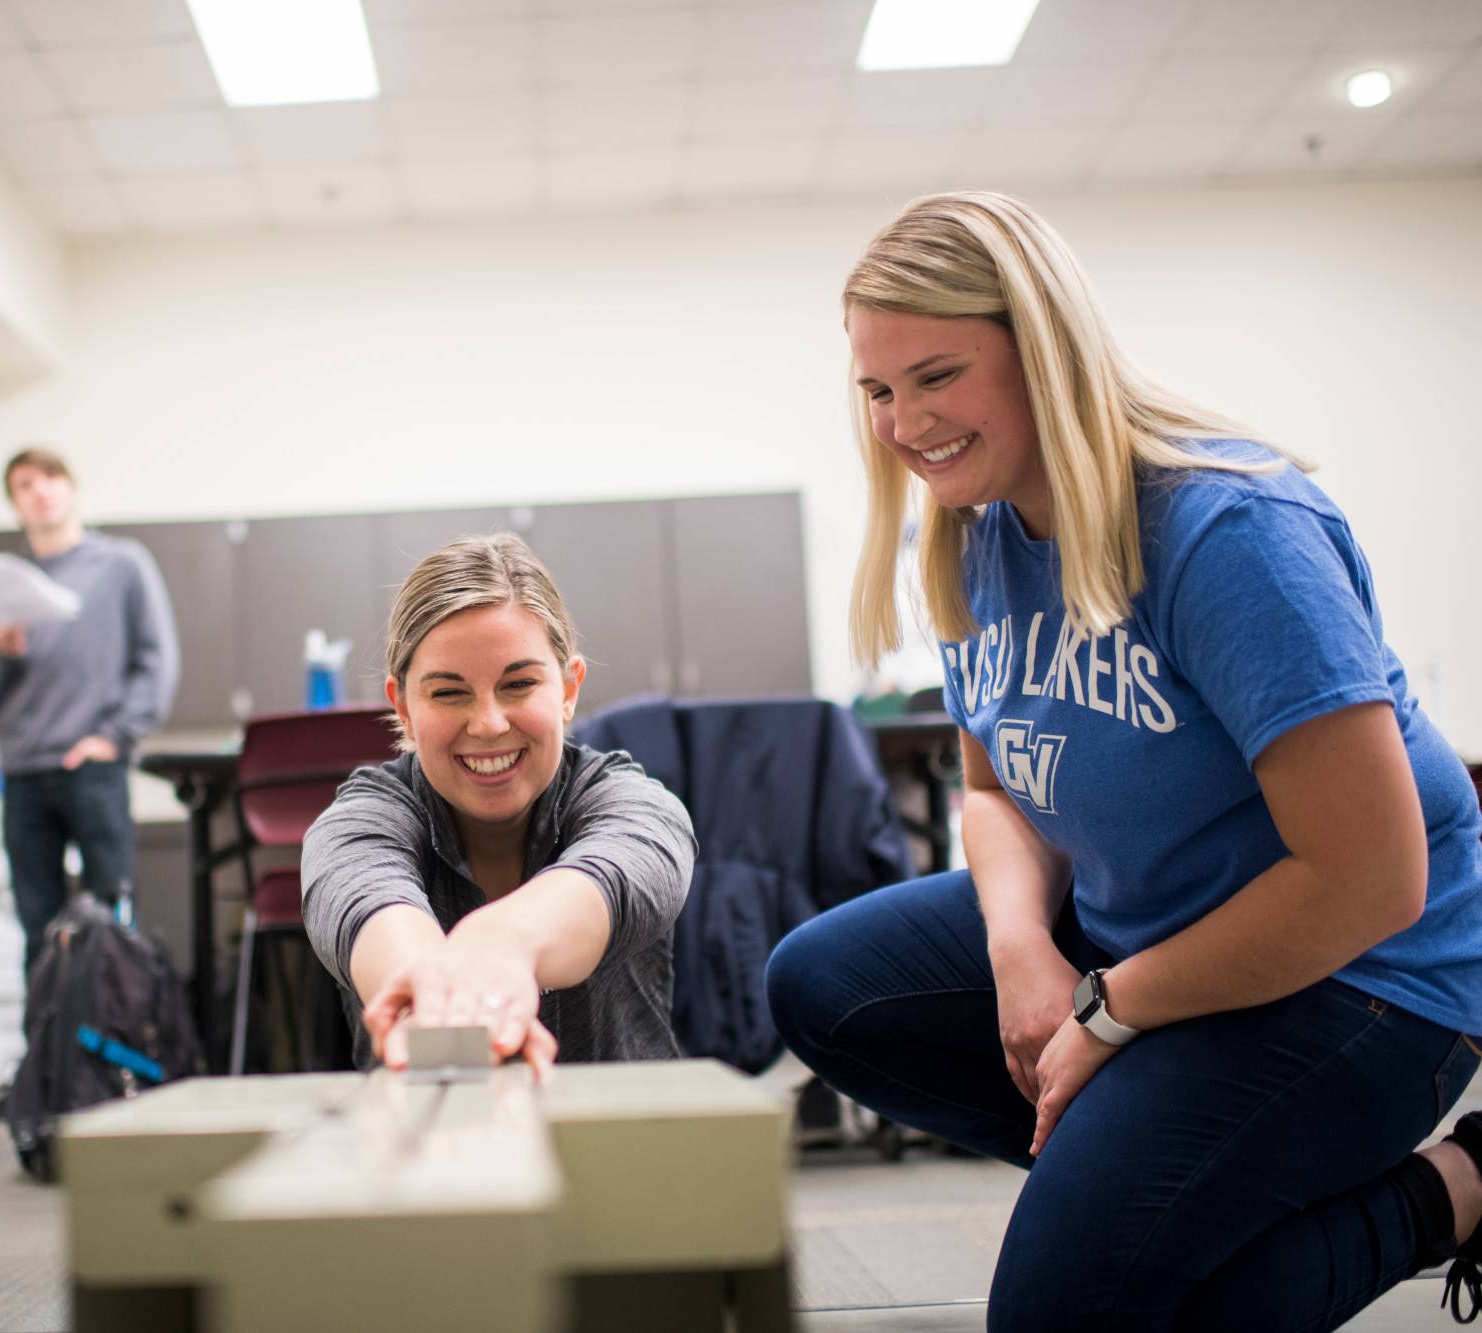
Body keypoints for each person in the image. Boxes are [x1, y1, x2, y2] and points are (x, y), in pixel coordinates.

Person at [765, 191, 1482, 1330]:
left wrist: (1108, 1011)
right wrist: (1017, 953)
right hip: (1154, 935)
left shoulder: (1224, 529)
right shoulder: (972, 529)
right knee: (819, 982)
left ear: (1041, 349)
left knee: (1067, 1316)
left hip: (1367, 977)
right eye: (877, 389)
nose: (903, 423)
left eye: (935, 376)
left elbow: (1370, 878)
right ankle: (1169, 1190)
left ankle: (1453, 1191)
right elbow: (996, 787)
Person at [300, 533, 695, 1072]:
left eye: (519, 684)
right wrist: (438, 999)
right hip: (428, 1143)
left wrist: (499, 942)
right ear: (403, 707)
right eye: (448, 692)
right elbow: (367, 905)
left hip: (616, 1143)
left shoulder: (633, 805)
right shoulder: (360, 822)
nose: (488, 724)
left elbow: (624, 866)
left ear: (567, 688)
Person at [0, 447, 180, 972]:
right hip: (22, 772)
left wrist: (114, 736)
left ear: (71, 488)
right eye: (24, 485)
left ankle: (115, 1047)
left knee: (111, 921)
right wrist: (5, 654)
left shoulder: (122, 564)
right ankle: (47, 1050)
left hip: (93, 766)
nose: (39, 491)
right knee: (35, 930)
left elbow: (158, 661)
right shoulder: (1, 583)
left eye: (49, 478)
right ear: (15, 505)